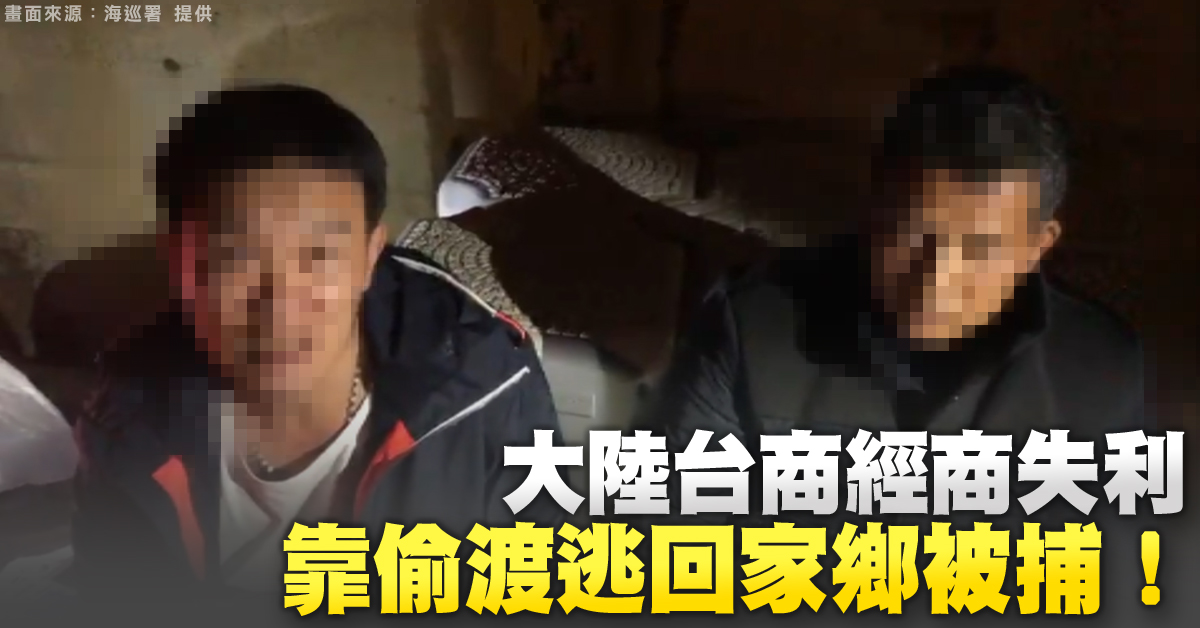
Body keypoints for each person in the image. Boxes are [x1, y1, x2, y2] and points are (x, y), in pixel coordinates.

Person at [68, 85, 568, 610]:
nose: (281, 305)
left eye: (320, 255)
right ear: (178, 262)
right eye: (236, 257)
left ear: (370, 257)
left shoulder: (484, 388)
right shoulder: (124, 418)